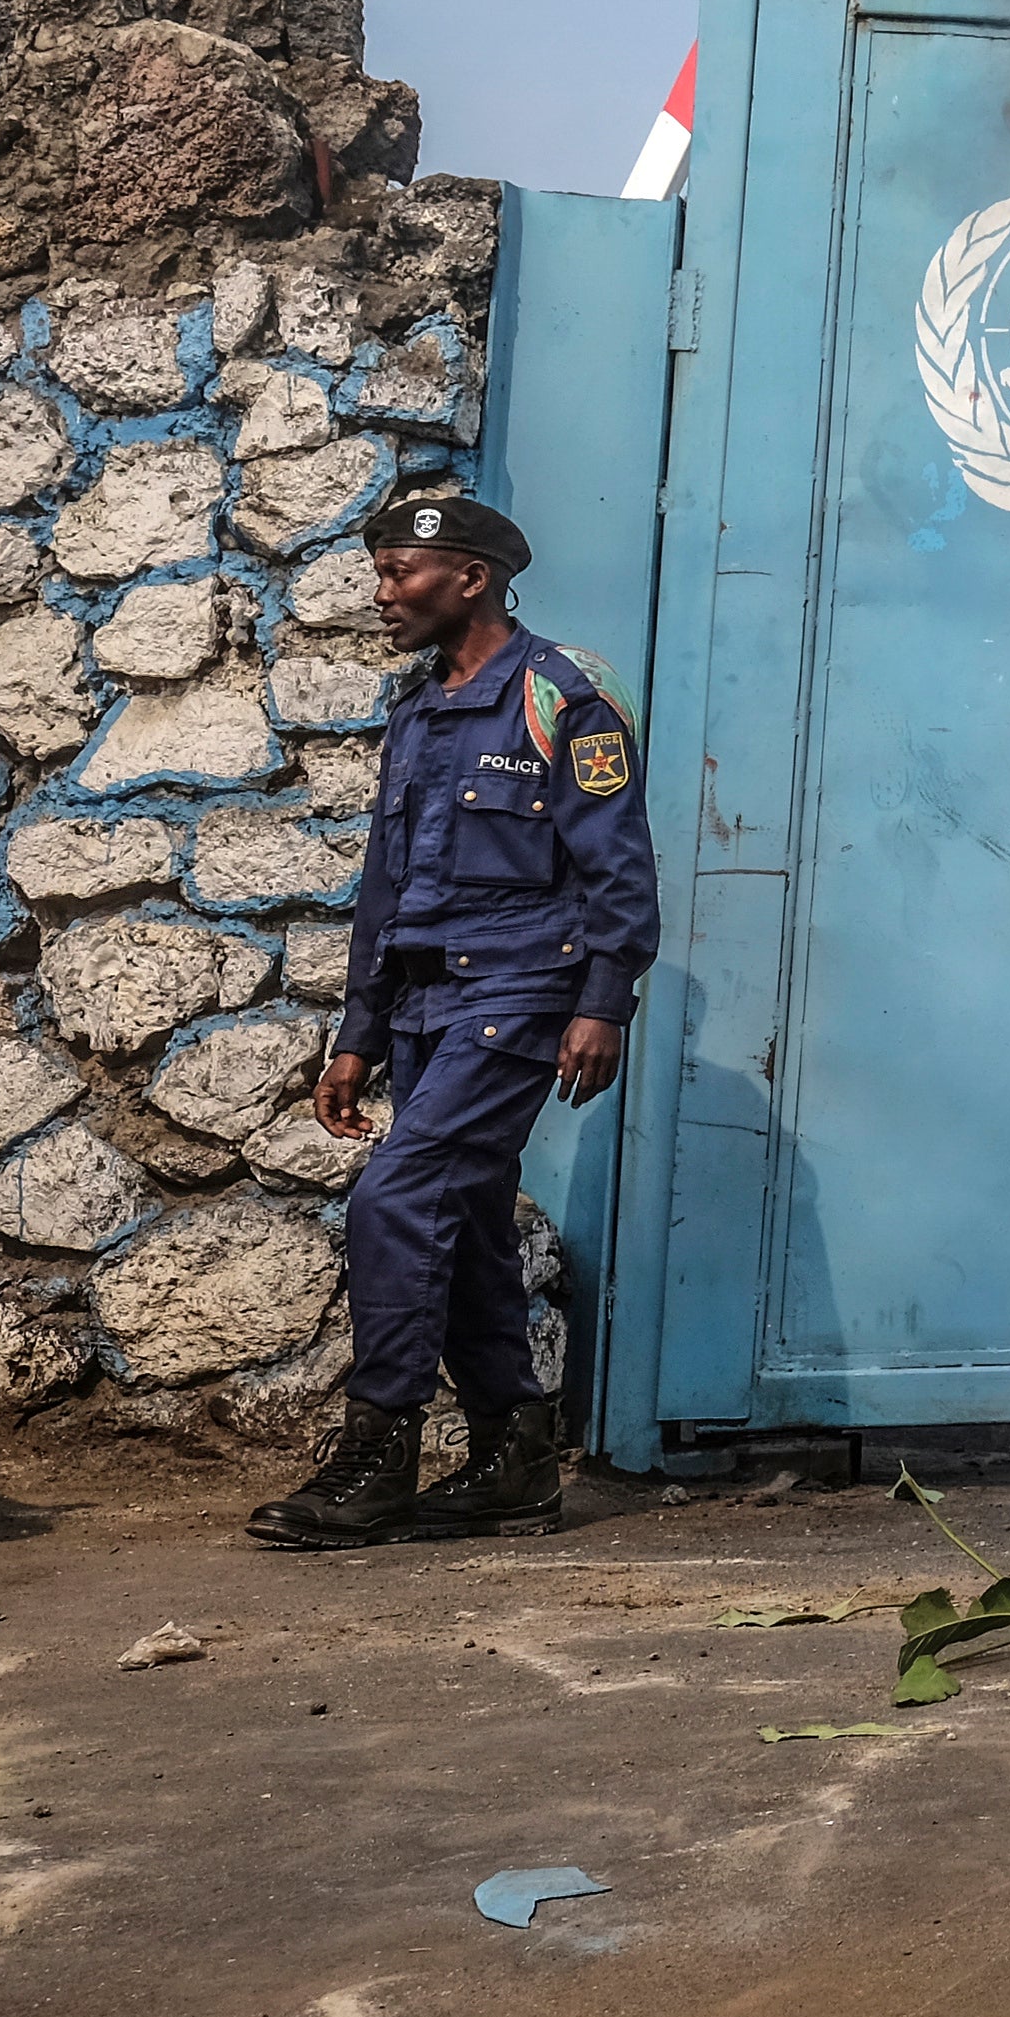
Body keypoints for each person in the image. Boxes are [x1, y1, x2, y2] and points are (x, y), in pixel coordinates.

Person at [247, 495, 660, 1552]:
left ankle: (377, 1454)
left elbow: (617, 865)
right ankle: (516, 1460)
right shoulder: (422, 709)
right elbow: (387, 889)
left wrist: (604, 1000)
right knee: (468, 1222)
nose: (383, 596)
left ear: (471, 577)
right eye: (380, 575)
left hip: (524, 988)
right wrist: (359, 1035)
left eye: (402, 574)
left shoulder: (562, 694)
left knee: (398, 1197)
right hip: (428, 999)